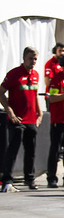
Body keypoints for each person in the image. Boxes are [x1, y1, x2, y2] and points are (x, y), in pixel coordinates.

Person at [0, 47, 43, 191]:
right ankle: (7, 182)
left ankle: (29, 180)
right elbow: (1, 92)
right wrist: (10, 112)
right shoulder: (14, 74)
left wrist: (40, 113)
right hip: (17, 120)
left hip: (31, 120)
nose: (33, 61)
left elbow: (35, 94)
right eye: (31, 58)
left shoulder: (36, 74)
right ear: (24, 58)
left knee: (31, 151)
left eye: (35, 59)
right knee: (12, 150)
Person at [46, 52, 64, 188]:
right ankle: (51, 178)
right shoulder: (57, 78)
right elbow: (52, 98)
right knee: (55, 151)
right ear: (63, 63)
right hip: (58, 121)